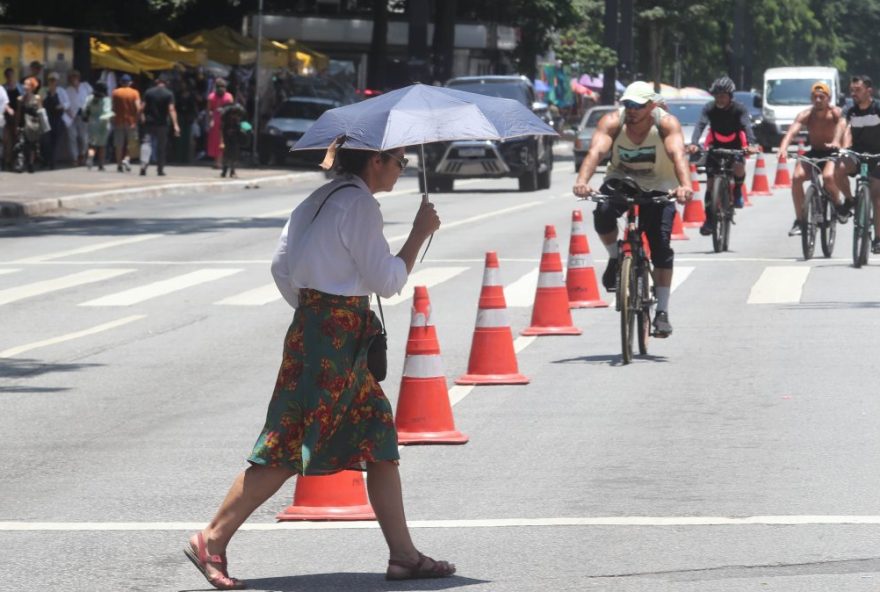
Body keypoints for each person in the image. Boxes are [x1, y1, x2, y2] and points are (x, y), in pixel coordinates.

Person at [184, 146, 455, 590]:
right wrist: (419, 234)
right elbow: (387, 282)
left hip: (315, 328)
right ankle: (211, 537)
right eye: (399, 162)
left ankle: (404, 555)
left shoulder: (316, 200)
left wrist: (314, 307)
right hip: (337, 336)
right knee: (289, 442)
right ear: (375, 162)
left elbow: (279, 266)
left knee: (378, 435)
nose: (402, 170)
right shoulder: (361, 205)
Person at [573, 81, 694, 337]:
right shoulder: (613, 122)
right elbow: (595, 152)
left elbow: (677, 154)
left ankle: (661, 312)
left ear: (652, 105)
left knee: (661, 247)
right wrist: (582, 182)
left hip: (660, 186)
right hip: (621, 180)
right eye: (627, 104)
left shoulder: (665, 123)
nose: (631, 110)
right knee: (603, 213)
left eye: (637, 106)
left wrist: (684, 185)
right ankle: (615, 257)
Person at [686, 76, 758, 235]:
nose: (719, 99)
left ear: (730, 96)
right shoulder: (709, 108)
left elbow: (747, 126)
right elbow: (700, 125)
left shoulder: (739, 109)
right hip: (716, 145)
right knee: (710, 184)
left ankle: (738, 189)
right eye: (717, 96)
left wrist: (751, 144)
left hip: (736, 145)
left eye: (723, 96)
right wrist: (694, 142)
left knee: (738, 166)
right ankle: (709, 220)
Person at [777, 81, 849, 236]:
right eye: (815, 97)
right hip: (815, 152)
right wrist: (783, 148)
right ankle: (800, 220)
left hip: (833, 152)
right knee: (797, 178)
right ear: (811, 98)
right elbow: (791, 132)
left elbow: (843, 126)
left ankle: (838, 205)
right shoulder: (806, 115)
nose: (818, 100)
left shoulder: (835, 113)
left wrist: (839, 144)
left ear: (828, 98)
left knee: (828, 177)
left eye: (821, 97)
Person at [834, 75, 880, 254]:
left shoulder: (877, 108)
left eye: (857, 90)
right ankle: (850, 200)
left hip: (878, 155)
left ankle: (877, 239)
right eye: (852, 91)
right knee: (840, 168)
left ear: (869, 91)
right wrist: (837, 142)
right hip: (858, 153)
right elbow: (841, 124)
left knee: (877, 198)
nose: (853, 94)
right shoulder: (850, 110)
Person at [140, 77, 180, 176]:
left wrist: (141, 117)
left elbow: (142, 108)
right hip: (162, 124)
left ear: (156, 82)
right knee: (161, 147)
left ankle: (144, 166)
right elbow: (171, 109)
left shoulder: (148, 92)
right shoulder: (169, 94)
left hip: (149, 123)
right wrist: (175, 124)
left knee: (146, 144)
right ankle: (160, 169)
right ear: (166, 83)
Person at [38, 72, 69, 169]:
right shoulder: (43, 90)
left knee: (55, 141)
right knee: (45, 141)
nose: (52, 82)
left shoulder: (61, 91)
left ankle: (52, 162)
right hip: (46, 118)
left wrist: (62, 106)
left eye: (54, 80)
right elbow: (39, 101)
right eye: (51, 80)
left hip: (57, 119)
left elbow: (67, 103)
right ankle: (45, 160)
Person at [111, 74, 140, 172]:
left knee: (119, 144)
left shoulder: (115, 92)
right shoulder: (135, 93)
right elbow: (138, 107)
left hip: (118, 121)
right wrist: (138, 118)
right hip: (131, 122)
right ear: (130, 83)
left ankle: (119, 164)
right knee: (131, 143)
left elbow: (112, 107)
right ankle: (127, 159)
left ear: (120, 82)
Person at [83, 82, 114, 171]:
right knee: (102, 146)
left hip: (92, 123)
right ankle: (101, 164)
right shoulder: (106, 100)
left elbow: (84, 109)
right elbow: (107, 111)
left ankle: (90, 157)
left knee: (92, 145)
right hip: (103, 124)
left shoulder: (89, 98)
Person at [65, 69, 93, 166]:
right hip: (71, 116)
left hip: (83, 115)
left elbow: (92, 98)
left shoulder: (85, 86)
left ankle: (82, 154)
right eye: (72, 77)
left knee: (84, 138)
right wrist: (68, 112)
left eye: (76, 77)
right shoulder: (67, 90)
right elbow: (65, 103)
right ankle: (75, 158)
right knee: (72, 137)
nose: (74, 79)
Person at [15, 77, 43, 174]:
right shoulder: (20, 99)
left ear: (32, 87)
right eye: (24, 84)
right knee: (21, 143)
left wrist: (42, 125)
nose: (25, 86)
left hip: (33, 124)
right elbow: (18, 113)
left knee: (32, 145)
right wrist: (17, 125)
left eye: (27, 85)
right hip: (23, 124)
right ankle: (20, 164)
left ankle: (31, 164)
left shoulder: (37, 98)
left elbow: (41, 112)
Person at [207, 78, 233, 169]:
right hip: (221, 120)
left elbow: (209, 110)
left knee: (219, 142)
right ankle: (218, 162)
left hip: (219, 120)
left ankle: (218, 162)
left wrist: (211, 119)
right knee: (220, 142)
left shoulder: (212, 96)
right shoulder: (228, 96)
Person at [219, 101, 246, 178]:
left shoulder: (238, 122)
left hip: (235, 139)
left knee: (233, 155)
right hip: (228, 139)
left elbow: (244, 128)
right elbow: (222, 130)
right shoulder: (226, 122)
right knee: (227, 155)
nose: (235, 116)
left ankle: (231, 171)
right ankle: (225, 171)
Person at [3, 68, 22, 171]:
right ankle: (7, 161)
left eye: (12, 75)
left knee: (17, 139)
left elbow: (22, 100)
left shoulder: (19, 87)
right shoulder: (3, 88)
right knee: (7, 140)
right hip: (6, 117)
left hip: (17, 117)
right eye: (8, 75)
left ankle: (16, 162)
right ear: (6, 77)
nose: (10, 77)